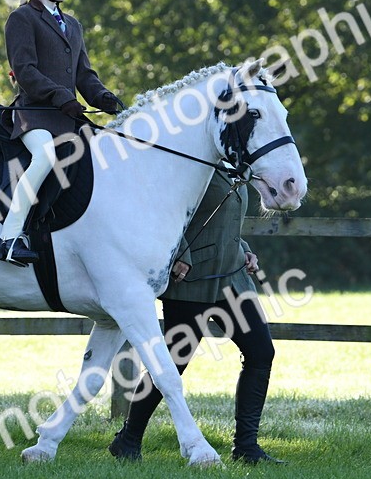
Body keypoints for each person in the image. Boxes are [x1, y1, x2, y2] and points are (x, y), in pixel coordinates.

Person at [108, 169, 285, 464]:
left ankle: (246, 448)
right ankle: (127, 440)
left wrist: (245, 250)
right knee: (172, 363)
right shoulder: (194, 167)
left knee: (260, 351)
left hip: (233, 278)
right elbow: (165, 217)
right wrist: (180, 253)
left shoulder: (236, 169)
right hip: (192, 279)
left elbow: (224, 225)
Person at [0, 0, 124, 266]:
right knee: (45, 156)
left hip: (68, 118)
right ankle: (9, 237)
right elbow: (25, 71)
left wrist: (104, 97)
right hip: (34, 116)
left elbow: (84, 74)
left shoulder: (73, 25)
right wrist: (60, 96)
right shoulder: (22, 18)